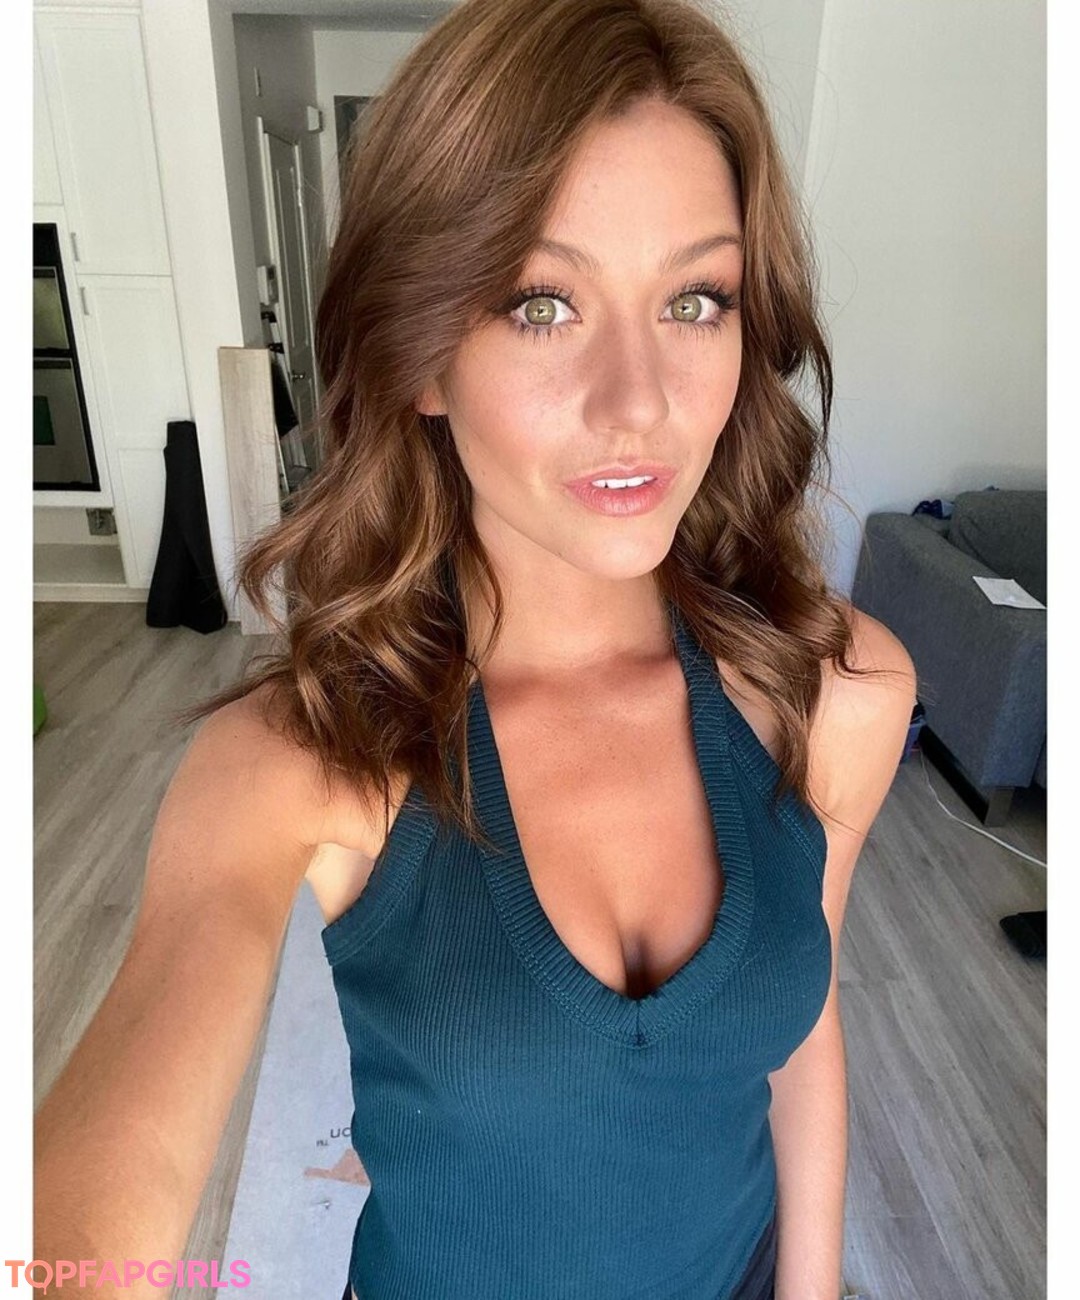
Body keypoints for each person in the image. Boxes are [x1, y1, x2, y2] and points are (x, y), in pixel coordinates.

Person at [34, 0, 917, 1296]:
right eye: (541, 303)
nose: (639, 402)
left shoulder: (833, 692)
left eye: (696, 299)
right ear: (423, 357)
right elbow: (93, 1220)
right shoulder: (303, 761)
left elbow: (799, 1027)